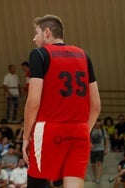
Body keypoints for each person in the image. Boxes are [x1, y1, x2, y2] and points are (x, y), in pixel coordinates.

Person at [22, 14, 101, 188]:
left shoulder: (39, 54)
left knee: (37, 182)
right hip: (80, 130)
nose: (34, 38)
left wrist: (26, 136)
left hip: (49, 128)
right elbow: (96, 106)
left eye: (37, 33)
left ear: (47, 33)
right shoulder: (84, 55)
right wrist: (83, 131)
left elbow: (33, 102)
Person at [90, 118, 109, 184]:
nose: (97, 124)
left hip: (101, 149)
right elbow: (88, 139)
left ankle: (98, 178)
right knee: (93, 164)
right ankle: (95, 177)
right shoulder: (91, 130)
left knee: (99, 163)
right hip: (92, 149)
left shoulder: (103, 131)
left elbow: (106, 140)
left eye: (98, 123)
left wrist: (106, 149)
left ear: (100, 123)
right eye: (96, 123)